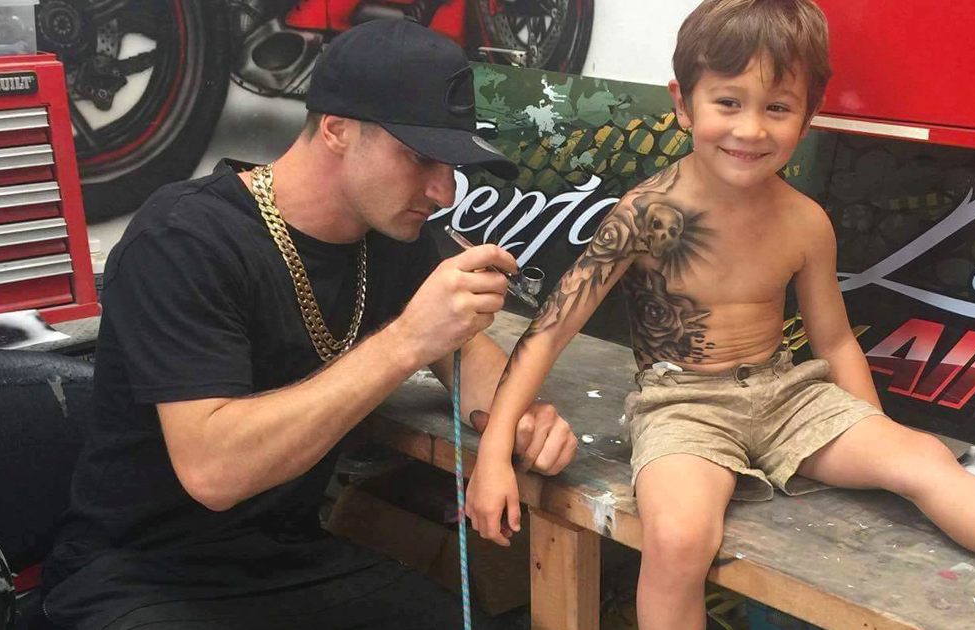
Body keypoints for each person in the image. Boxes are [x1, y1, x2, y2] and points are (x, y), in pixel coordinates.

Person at [463, 2, 975, 630]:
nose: (750, 129)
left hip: (788, 398)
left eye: (776, 108)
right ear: (683, 103)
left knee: (925, 459)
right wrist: (494, 455)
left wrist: (877, 432)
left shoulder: (805, 221)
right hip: (683, 408)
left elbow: (833, 342)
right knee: (678, 539)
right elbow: (549, 331)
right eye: (728, 102)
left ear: (809, 113)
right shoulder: (644, 215)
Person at [41, 18, 578, 630]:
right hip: (137, 577)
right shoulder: (184, 239)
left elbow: (470, 364)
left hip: (288, 561)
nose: (443, 190)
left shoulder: (391, 236)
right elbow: (214, 472)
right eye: (420, 157)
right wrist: (406, 341)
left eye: (451, 165)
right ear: (337, 129)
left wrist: (520, 420)